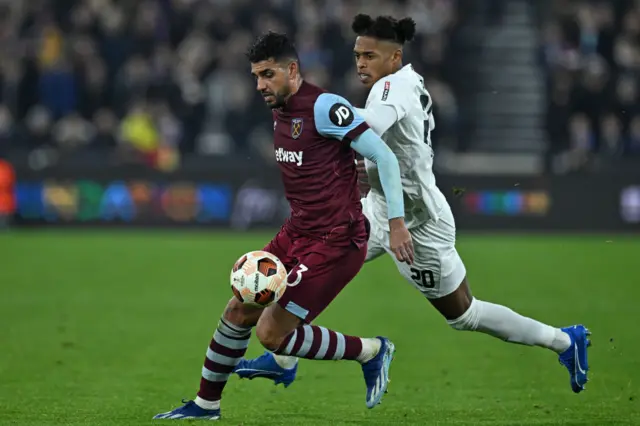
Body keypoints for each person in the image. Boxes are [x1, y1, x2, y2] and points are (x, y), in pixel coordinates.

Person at [234, 15, 591, 395]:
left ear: (394, 57)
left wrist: (312, 113)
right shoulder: (393, 83)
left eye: (370, 56)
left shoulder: (394, 88)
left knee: (463, 314)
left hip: (416, 223)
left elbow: (370, 122)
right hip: (377, 209)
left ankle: (564, 342)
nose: (360, 64)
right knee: (312, 262)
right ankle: (283, 357)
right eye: (357, 55)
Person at [153, 31, 415, 420]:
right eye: (256, 76)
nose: (260, 85)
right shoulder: (281, 108)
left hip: (337, 241)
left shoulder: (325, 107)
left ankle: (373, 351)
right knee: (239, 307)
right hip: (297, 231)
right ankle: (206, 404)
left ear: (292, 70)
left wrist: (396, 223)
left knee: (271, 333)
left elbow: (385, 158)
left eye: (267, 74)